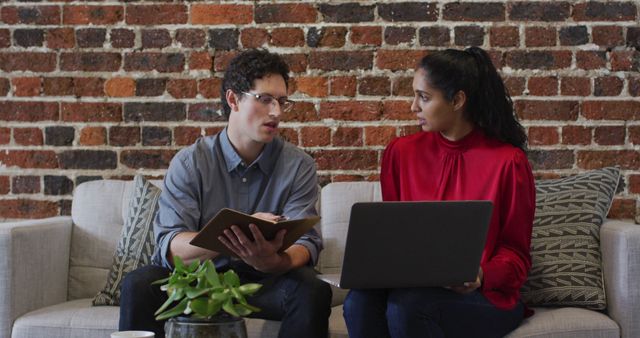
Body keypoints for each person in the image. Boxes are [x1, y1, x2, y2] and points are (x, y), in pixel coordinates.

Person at [119, 49, 332, 338]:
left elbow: (306, 244)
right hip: (198, 281)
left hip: (265, 283)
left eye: (282, 102)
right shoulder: (190, 162)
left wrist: (274, 261)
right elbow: (171, 246)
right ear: (233, 99)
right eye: (265, 99)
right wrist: (233, 234)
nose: (276, 113)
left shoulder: (299, 166)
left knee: (313, 290)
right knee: (138, 284)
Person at [343, 46, 536, 338]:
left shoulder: (508, 162)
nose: (413, 107)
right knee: (358, 302)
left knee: (408, 307)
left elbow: (516, 254)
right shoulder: (400, 153)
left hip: (485, 297)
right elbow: (393, 236)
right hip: (409, 289)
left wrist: (481, 275)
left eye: (424, 97)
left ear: (457, 100)